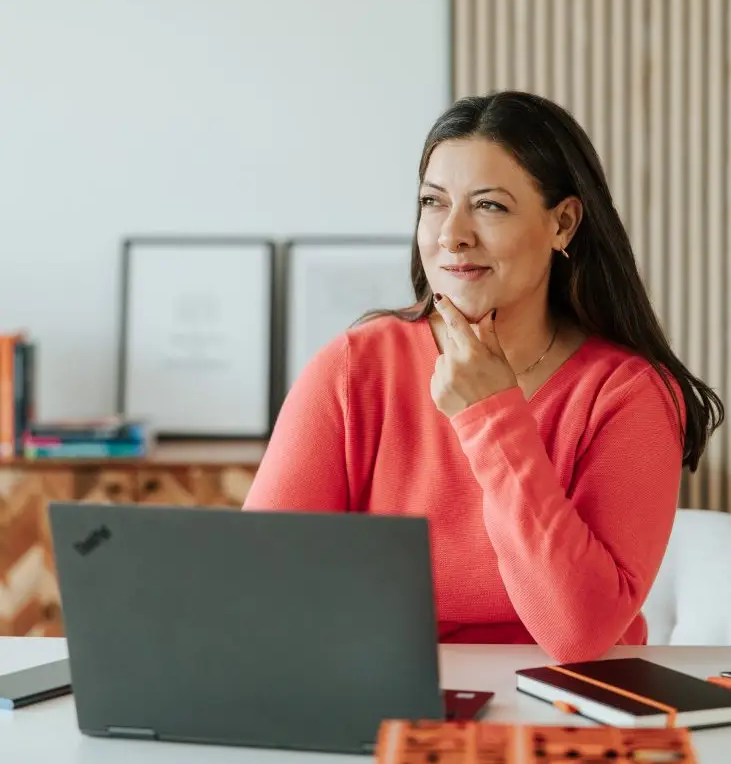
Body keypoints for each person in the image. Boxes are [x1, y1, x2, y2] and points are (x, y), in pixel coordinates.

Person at [245, 91, 724, 662]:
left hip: (566, 708)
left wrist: (492, 417)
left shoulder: (626, 395)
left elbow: (579, 634)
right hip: (385, 697)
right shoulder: (355, 368)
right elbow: (260, 591)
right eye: (432, 202)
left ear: (563, 223)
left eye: (490, 206)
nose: (452, 235)